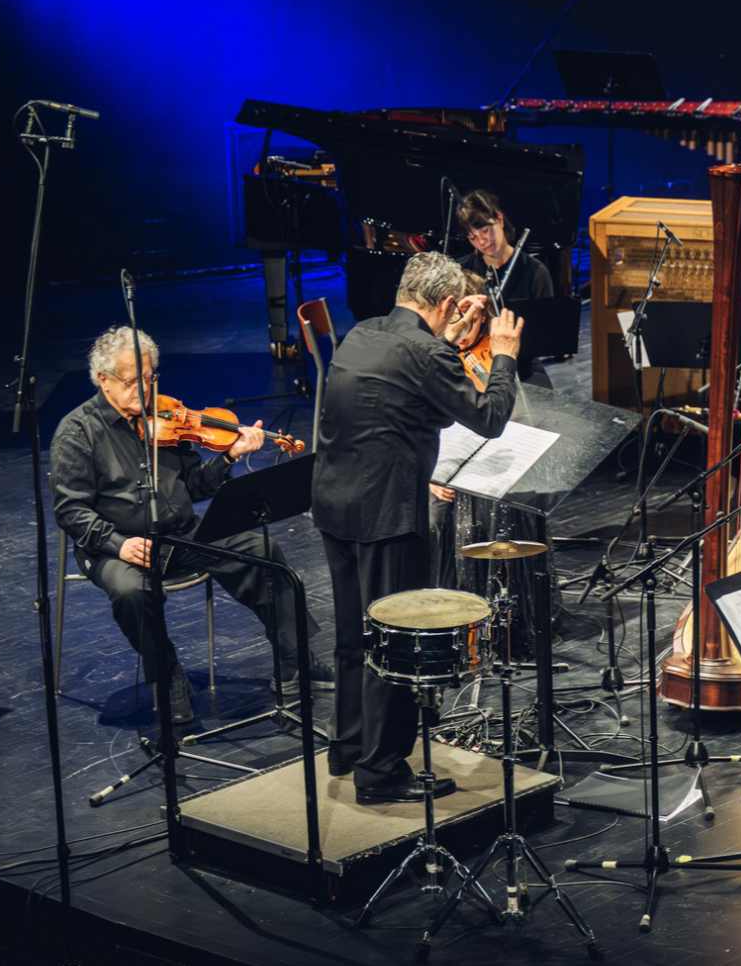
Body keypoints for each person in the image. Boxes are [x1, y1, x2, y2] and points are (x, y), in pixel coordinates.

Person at [314, 252, 521, 804]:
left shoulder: (363, 333)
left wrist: (448, 345)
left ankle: (350, 747)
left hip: (336, 507)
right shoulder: (425, 351)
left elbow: (412, 395)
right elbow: (490, 416)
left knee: (353, 638)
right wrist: (502, 355)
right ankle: (381, 773)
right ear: (449, 304)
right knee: (394, 641)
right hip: (386, 513)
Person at [51, 328, 322, 724]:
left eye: (149, 378)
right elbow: (70, 509)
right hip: (119, 545)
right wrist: (117, 544)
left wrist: (229, 458)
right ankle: (167, 674)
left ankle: (293, 658)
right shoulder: (77, 433)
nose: (144, 390)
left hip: (180, 533)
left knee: (262, 552)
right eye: (132, 382)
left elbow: (194, 486)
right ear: (103, 380)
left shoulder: (165, 416)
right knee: (131, 591)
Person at [456, 189, 555, 385]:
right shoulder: (461, 270)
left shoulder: (535, 272)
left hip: (521, 362)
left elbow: (545, 333)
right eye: (473, 237)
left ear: (500, 219)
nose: (482, 241)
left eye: (485, 230)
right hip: (472, 361)